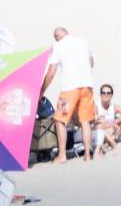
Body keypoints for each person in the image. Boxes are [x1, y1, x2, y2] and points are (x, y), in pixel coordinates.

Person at [41, 27, 96, 162]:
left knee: (60, 120)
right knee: (85, 121)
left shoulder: (58, 46)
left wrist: (41, 91)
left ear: (56, 37)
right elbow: (91, 63)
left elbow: (51, 73)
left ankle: (62, 155)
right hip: (87, 86)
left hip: (70, 88)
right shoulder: (83, 42)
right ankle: (87, 156)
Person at [91, 84, 121, 155]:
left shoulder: (114, 106)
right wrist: (110, 123)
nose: (106, 95)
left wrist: (116, 121)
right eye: (103, 93)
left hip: (114, 134)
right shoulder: (96, 106)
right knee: (99, 126)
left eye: (108, 93)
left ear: (111, 95)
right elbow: (94, 121)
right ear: (100, 94)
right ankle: (113, 144)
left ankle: (110, 143)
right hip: (102, 133)